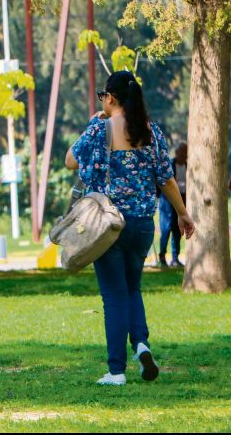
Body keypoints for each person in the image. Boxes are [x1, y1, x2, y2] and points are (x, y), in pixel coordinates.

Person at [66, 70, 195, 386]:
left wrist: (95, 123)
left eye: (103, 97)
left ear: (110, 98)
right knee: (132, 288)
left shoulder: (100, 129)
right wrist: (182, 213)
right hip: (141, 226)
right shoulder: (152, 132)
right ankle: (141, 344)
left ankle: (116, 370)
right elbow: (165, 178)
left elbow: (71, 160)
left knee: (113, 295)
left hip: (108, 225)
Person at [158, 142, 187, 268]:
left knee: (177, 230)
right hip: (167, 202)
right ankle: (162, 257)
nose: (185, 154)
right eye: (183, 151)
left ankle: (175, 258)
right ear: (177, 152)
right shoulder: (169, 164)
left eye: (186, 151)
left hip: (182, 201)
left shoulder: (188, 166)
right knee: (165, 230)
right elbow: (162, 181)